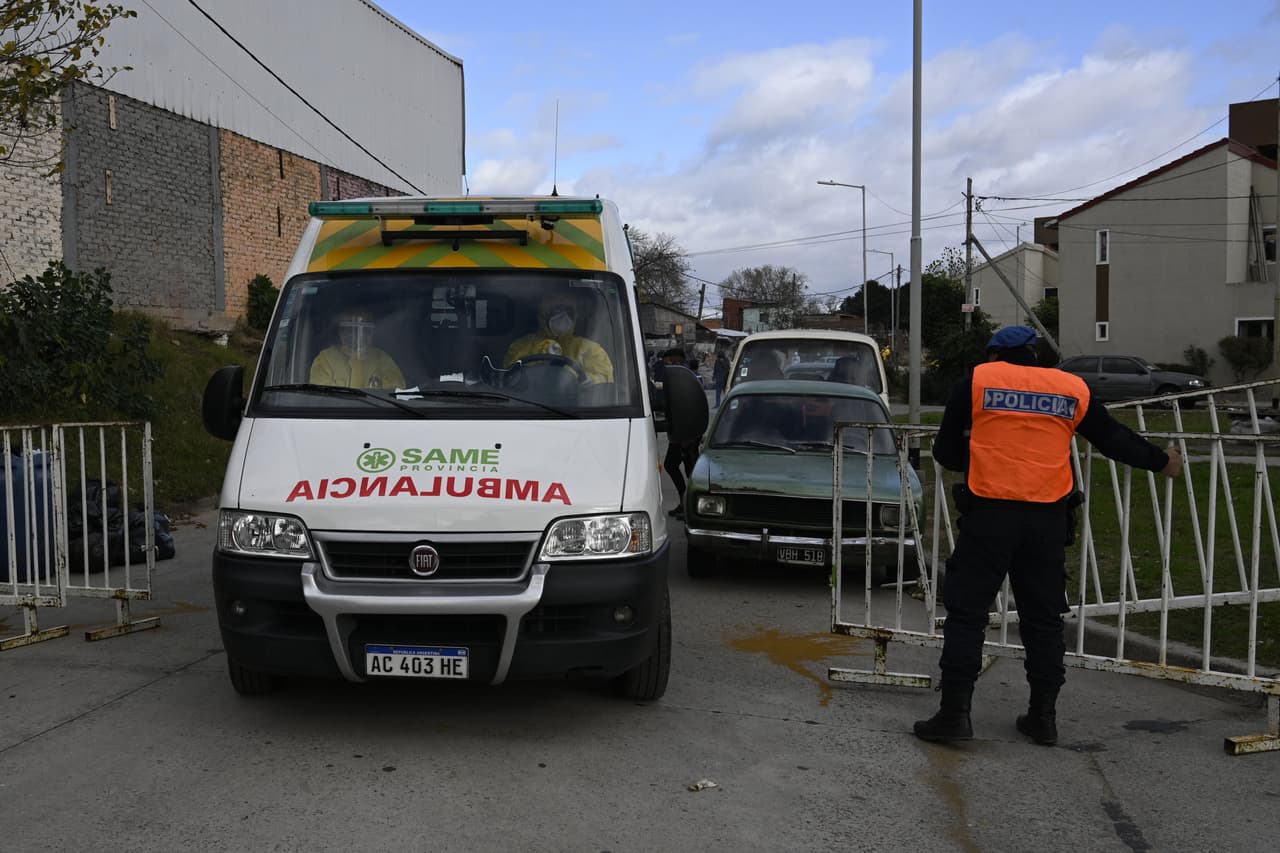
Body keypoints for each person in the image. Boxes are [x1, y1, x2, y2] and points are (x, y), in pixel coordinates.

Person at [913, 325, 1183, 747]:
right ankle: (1043, 717)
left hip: (990, 514)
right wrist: (1161, 461)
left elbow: (946, 453)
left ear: (994, 354)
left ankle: (954, 716)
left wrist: (984, 451)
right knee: (1043, 619)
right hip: (1047, 517)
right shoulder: (1070, 387)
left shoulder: (978, 381)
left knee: (967, 614)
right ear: (1036, 354)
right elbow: (1113, 438)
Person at [505, 294, 614, 384]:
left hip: (576, 406)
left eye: (568, 310)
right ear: (543, 315)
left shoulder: (588, 348)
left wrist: (589, 381)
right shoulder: (522, 345)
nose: (563, 315)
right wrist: (541, 354)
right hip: (528, 404)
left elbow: (604, 381)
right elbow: (511, 375)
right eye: (556, 310)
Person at [309, 308, 405, 390]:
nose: (356, 334)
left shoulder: (382, 359)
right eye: (350, 329)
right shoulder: (325, 360)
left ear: (371, 333)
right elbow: (322, 401)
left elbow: (396, 395)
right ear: (340, 332)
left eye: (364, 329)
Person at [659, 348, 699, 520]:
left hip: (687, 434)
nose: (666, 365)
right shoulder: (681, 378)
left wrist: (688, 436)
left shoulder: (685, 379)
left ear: (676, 360)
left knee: (691, 472)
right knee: (673, 466)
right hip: (680, 433)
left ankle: (690, 507)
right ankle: (684, 503)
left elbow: (689, 407)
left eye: (669, 362)